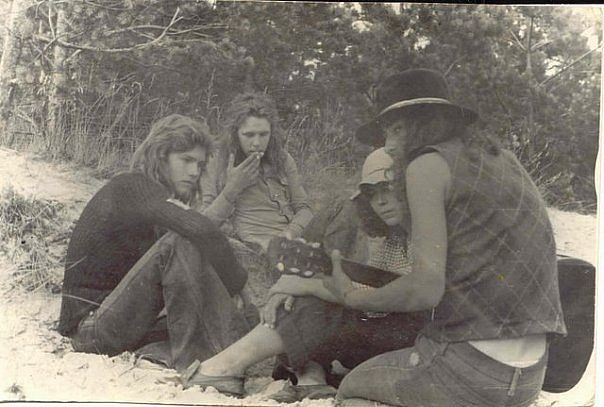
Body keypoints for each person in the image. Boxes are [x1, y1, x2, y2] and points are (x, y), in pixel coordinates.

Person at [180, 147, 429, 401]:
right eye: (372, 194)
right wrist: (299, 284)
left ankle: (230, 367)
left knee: (317, 298)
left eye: (387, 189)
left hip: (418, 346)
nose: (381, 201)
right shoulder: (394, 240)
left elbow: (397, 300)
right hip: (386, 335)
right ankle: (305, 376)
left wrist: (308, 285)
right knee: (308, 299)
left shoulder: (428, 235)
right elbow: (373, 300)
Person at [57, 114, 252, 377]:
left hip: (120, 323)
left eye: (199, 164)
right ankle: (204, 366)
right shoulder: (132, 186)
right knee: (181, 240)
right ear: (161, 157)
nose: (194, 172)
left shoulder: (154, 200)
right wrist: (238, 286)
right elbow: (200, 229)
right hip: (90, 329)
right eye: (186, 160)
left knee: (231, 319)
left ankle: (171, 354)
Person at [199, 92, 313, 252]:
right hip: (247, 246)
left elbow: (304, 208)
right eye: (249, 135)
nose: (257, 143)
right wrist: (232, 188)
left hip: (289, 241)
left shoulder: (283, 159)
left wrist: (289, 234)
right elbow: (202, 224)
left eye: (264, 134)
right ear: (235, 134)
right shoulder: (216, 161)